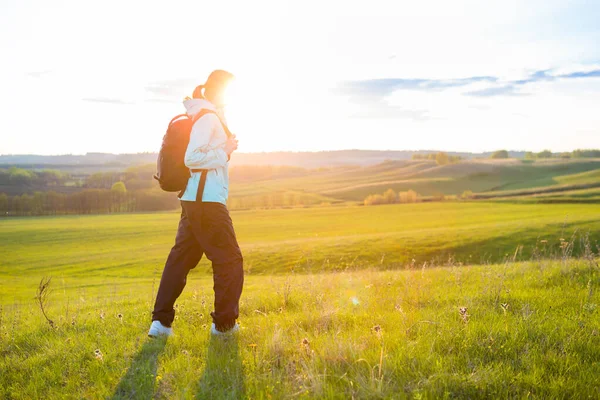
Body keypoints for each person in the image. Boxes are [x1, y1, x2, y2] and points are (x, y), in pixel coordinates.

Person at [148, 70, 243, 337]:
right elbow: (193, 158)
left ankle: (160, 324)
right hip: (206, 202)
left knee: (180, 260)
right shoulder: (207, 118)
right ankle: (224, 326)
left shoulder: (204, 114)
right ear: (219, 92)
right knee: (229, 259)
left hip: (194, 200)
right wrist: (224, 151)